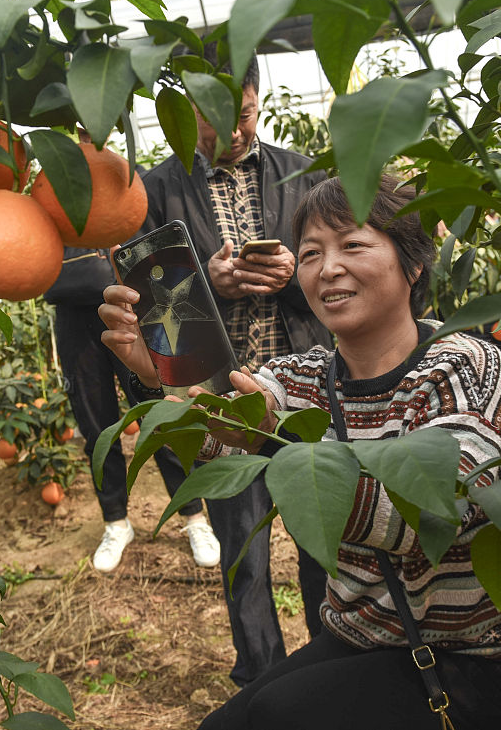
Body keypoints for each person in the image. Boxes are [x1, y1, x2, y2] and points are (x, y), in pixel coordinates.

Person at [101, 176, 501, 730]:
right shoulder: (305, 376)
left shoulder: (463, 365)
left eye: (352, 244)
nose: (327, 268)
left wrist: (284, 443)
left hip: (487, 656)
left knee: (277, 716)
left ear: (413, 264)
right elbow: (213, 428)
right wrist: (155, 377)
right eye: (310, 253)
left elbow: (426, 515)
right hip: (368, 634)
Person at [135, 46, 331, 686]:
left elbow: (344, 278)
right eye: (217, 122)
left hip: (304, 389)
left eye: (246, 114)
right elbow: (154, 320)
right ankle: (264, 678)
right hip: (220, 402)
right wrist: (206, 282)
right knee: (242, 548)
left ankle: (333, 666)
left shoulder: (302, 176)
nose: (238, 132)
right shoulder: (156, 190)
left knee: (321, 540)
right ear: (186, 115)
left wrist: (295, 276)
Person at [43, 246, 221, 572]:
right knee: (96, 425)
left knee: (159, 412)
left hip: (128, 307)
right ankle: (116, 521)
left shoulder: (123, 198)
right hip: (72, 313)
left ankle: (193, 513)